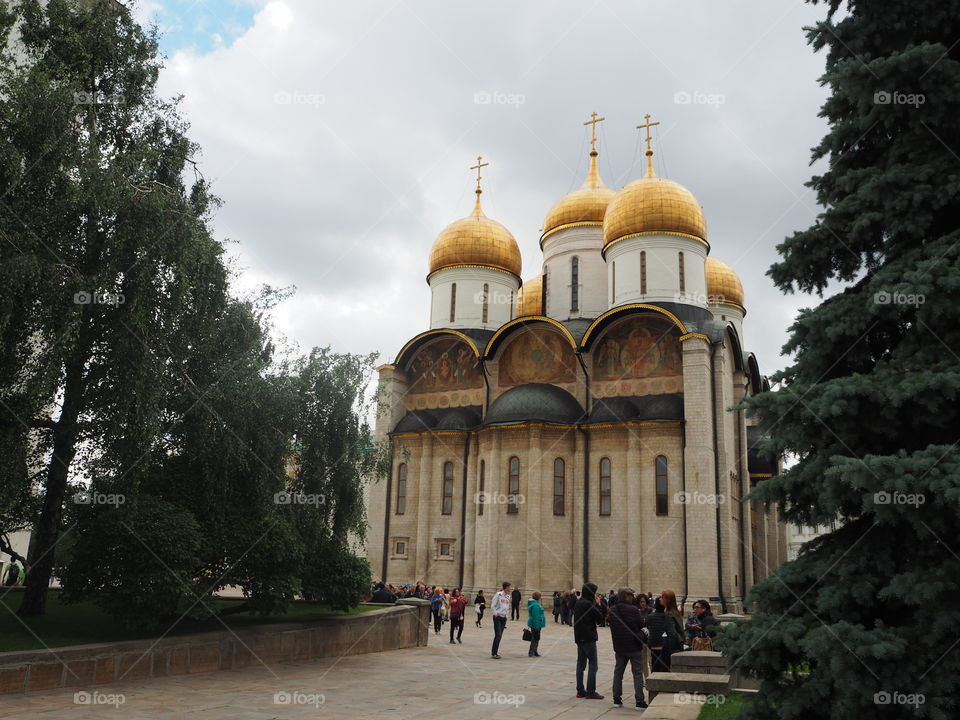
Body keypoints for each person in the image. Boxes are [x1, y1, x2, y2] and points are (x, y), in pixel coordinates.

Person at [607, 588, 648, 710]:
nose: (632, 598)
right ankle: (639, 702)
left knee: (618, 673)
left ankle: (617, 700)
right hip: (634, 646)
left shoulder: (612, 610)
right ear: (626, 596)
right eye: (630, 596)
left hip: (619, 647)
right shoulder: (634, 609)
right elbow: (641, 624)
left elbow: (610, 623)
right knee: (637, 674)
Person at [572, 583, 604, 699]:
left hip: (579, 637)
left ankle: (580, 690)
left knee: (580, 664)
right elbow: (599, 619)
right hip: (589, 638)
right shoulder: (588, 604)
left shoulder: (579, 602)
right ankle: (591, 691)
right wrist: (599, 605)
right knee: (593, 665)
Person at [491, 581, 511, 659]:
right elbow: (493, 605)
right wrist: (495, 614)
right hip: (498, 617)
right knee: (498, 634)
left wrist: (506, 615)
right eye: (509, 587)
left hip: (504, 618)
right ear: (505, 587)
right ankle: (494, 653)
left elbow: (507, 606)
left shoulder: (508, 596)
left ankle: (495, 651)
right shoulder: (498, 594)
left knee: (500, 635)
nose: (510, 588)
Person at [527, 591, 546, 657]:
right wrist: (536, 626)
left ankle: (535, 651)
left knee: (536, 638)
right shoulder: (535, 605)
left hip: (537, 623)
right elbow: (536, 616)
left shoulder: (536, 604)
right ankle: (531, 652)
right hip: (536, 624)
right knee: (534, 638)